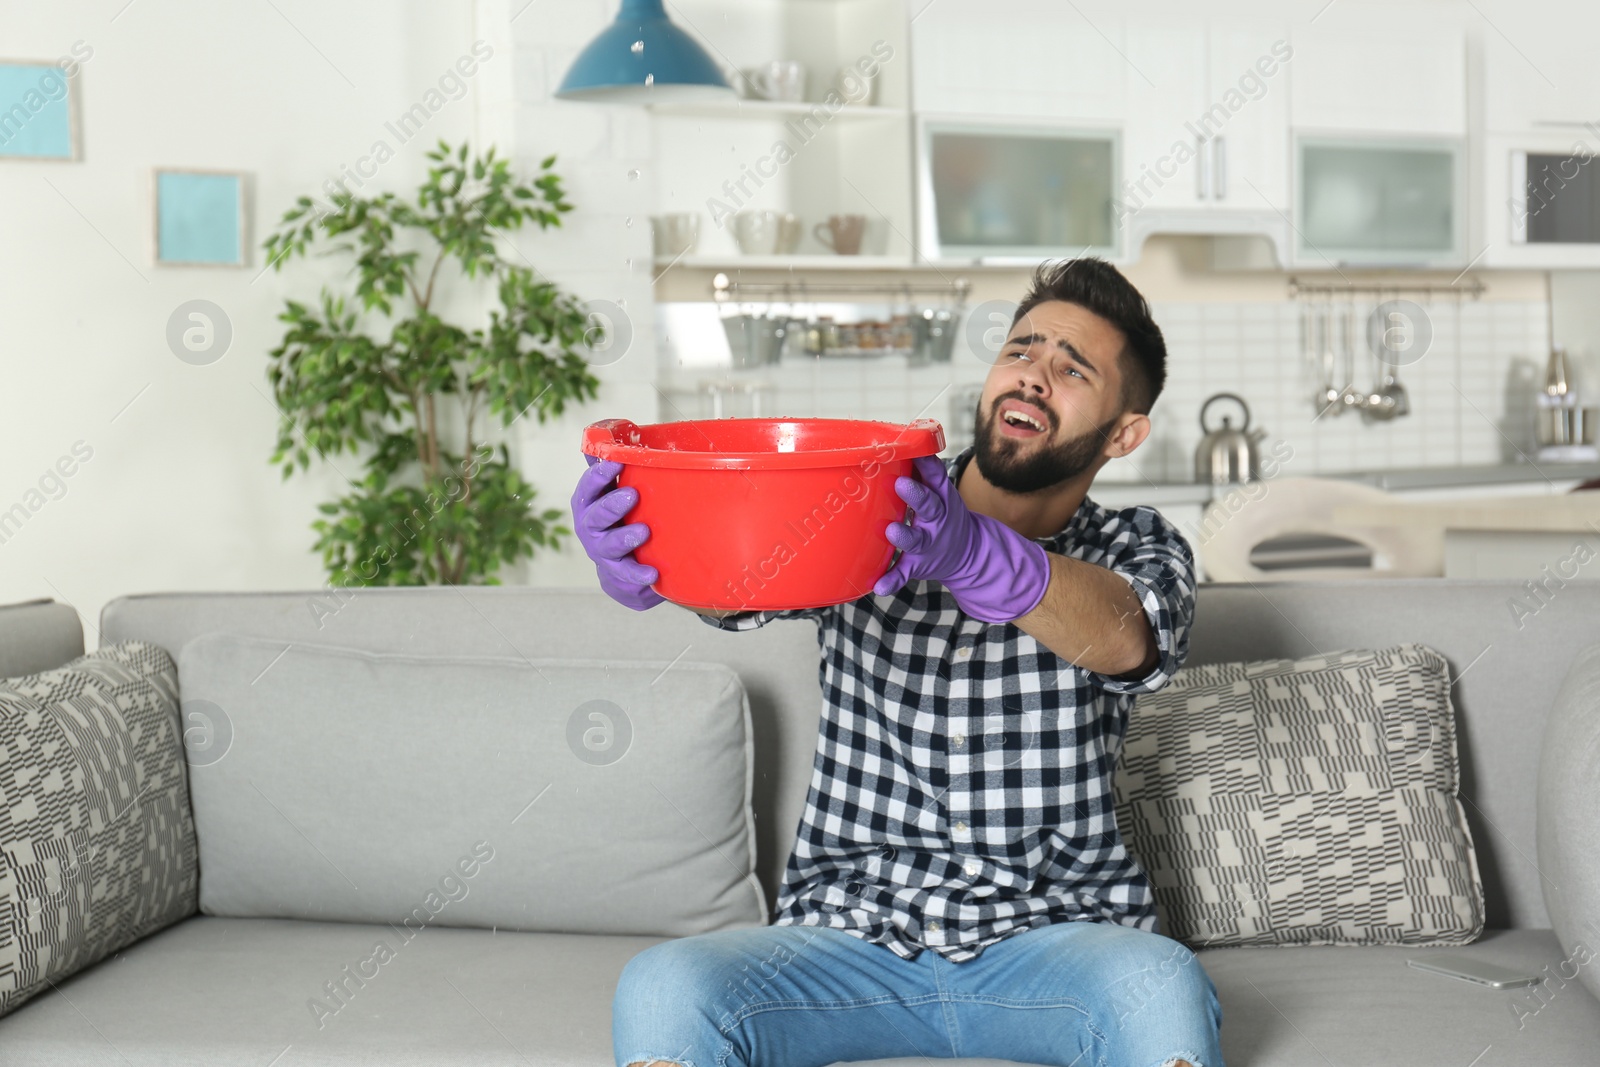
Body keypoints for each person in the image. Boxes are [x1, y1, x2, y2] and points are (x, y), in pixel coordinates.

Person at [571, 257, 1221, 1067]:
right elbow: (750, 582)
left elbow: (1129, 637)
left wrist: (973, 553)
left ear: (1124, 432)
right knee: (666, 986)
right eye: (1021, 351)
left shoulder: (1138, 546)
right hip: (843, 942)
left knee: (1163, 986)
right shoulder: (877, 500)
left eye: (1072, 368)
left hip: (1058, 946)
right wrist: (656, 547)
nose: (1033, 377)